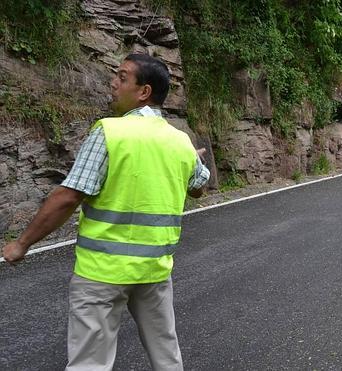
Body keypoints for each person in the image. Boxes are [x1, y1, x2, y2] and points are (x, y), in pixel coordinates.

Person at [2, 53, 210, 370]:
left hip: (102, 273)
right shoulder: (180, 141)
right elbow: (199, 185)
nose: (113, 83)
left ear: (144, 92)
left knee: (90, 363)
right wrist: (190, 158)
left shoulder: (110, 132)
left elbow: (68, 197)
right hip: (154, 271)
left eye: (122, 77)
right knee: (166, 357)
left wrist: (22, 244)